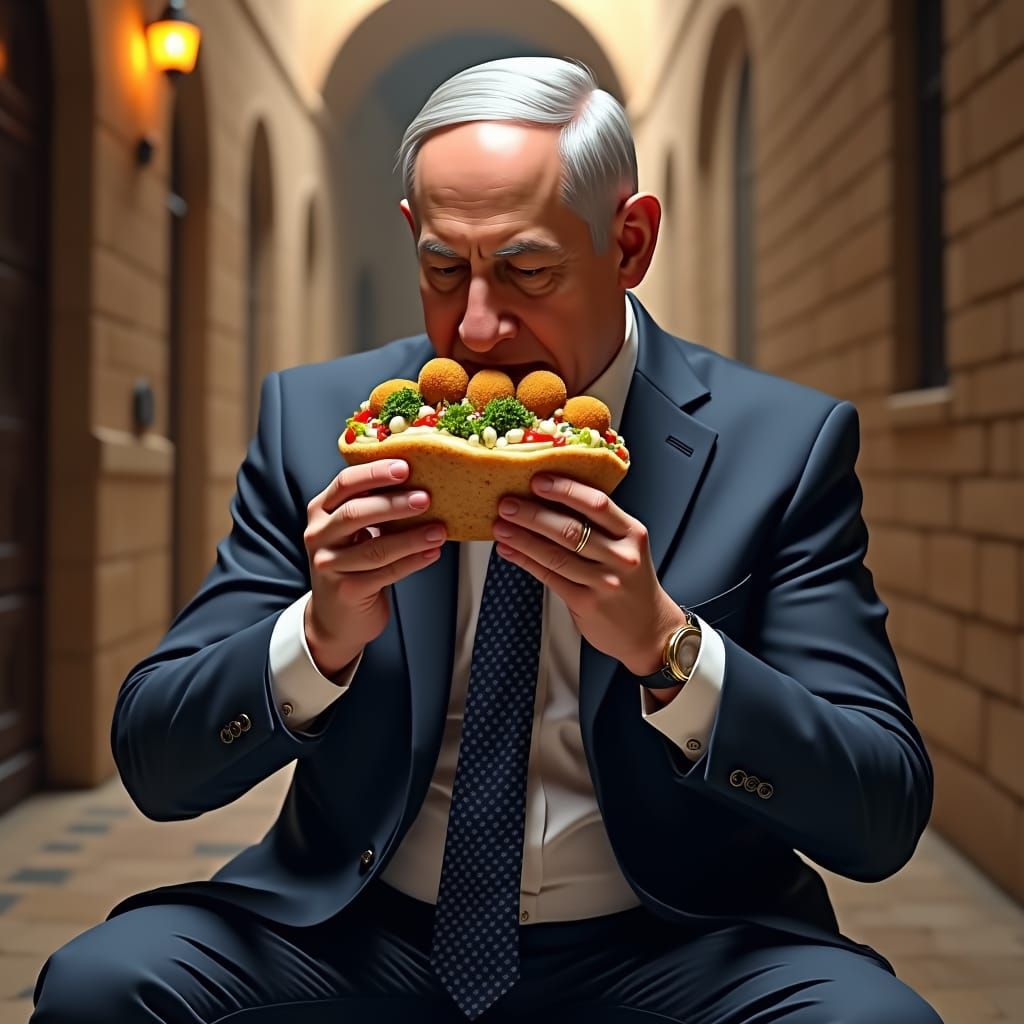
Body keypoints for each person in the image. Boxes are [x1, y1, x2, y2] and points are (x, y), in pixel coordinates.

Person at [30, 56, 942, 1023]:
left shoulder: (785, 446)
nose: (474, 326)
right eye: (440, 270)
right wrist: (319, 634)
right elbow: (157, 765)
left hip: (680, 940)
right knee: (100, 988)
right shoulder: (317, 423)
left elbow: (879, 813)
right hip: (357, 925)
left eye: (528, 270)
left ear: (631, 243)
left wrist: (671, 651)